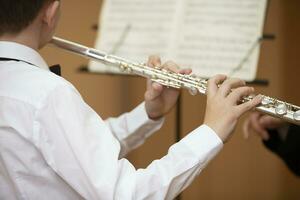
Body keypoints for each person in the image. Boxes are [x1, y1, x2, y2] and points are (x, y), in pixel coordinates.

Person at [0, 0, 261, 199]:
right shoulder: (47, 94)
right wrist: (210, 133)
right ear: (50, 12)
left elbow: (74, 150)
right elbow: (127, 193)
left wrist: (148, 113)